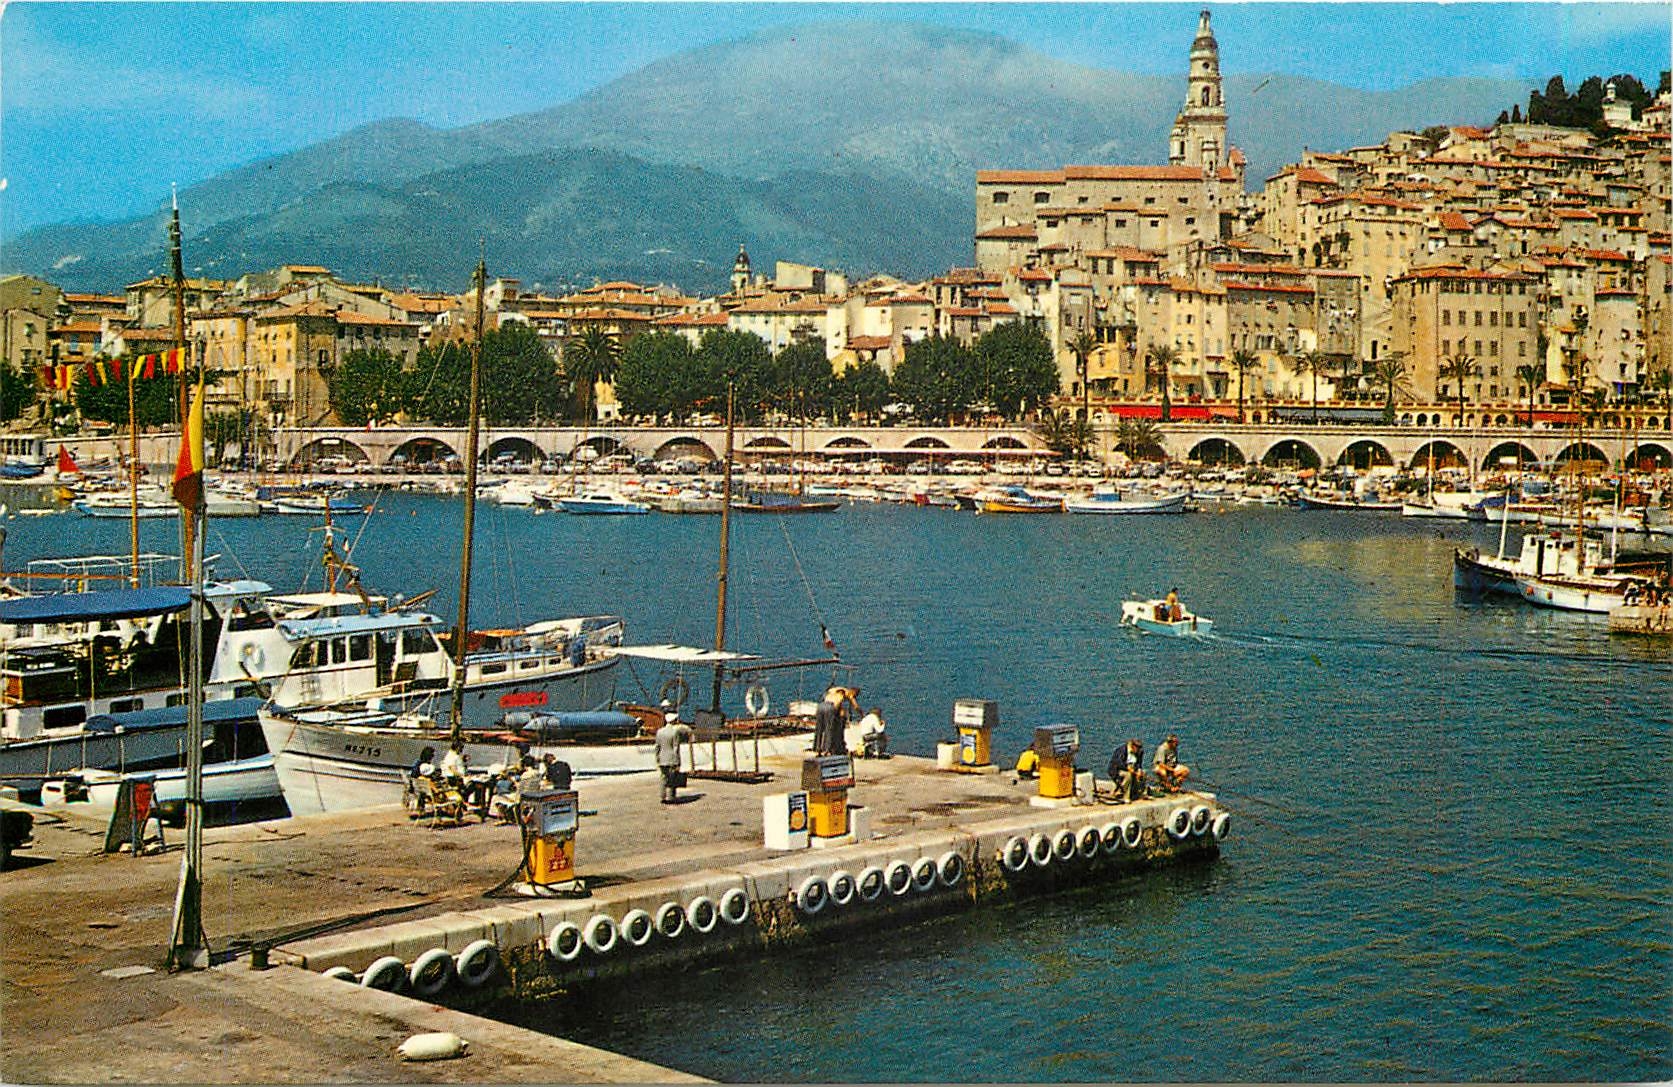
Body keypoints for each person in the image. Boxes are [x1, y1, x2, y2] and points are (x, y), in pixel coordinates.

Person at [655, 712, 692, 804]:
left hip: (662, 758)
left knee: (663, 778)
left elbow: (657, 746)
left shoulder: (659, 732)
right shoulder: (675, 732)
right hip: (671, 758)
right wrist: (678, 760)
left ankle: (662, 796)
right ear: (673, 721)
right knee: (672, 779)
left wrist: (657, 757)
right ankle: (671, 796)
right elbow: (676, 747)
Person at [1106, 738, 1145, 802]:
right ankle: (1126, 796)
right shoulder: (1122, 750)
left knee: (1143, 774)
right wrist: (1128, 768)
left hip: (1132, 768)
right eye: (1137, 747)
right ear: (1133, 746)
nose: (1138, 749)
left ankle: (1140, 793)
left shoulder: (1140, 752)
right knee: (1128, 776)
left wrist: (1139, 770)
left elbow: (1139, 763)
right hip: (1118, 769)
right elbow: (1118, 763)